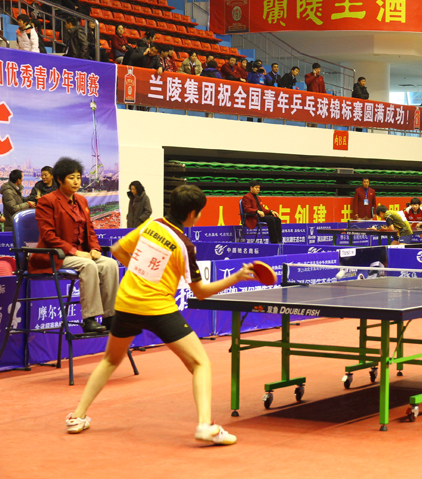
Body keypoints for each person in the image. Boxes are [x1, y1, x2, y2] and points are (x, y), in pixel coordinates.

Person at [65, 185, 254, 445]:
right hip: (158, 309)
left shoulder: (151, 225)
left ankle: (77, 416)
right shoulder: (184, 245)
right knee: (201, 364)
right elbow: (200, 292)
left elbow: (118, 250)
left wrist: (141, 272)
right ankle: (205, 426)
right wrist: (236, 277)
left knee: (110, 360)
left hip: (127, 303)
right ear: (192, 214)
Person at [30, 157, 117, 333]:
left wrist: (95, 248)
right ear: (59, 179)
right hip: (55, 255)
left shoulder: (82, 201)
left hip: (80, 254)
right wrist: (74, 252)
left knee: (110, 264)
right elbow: (48, 236)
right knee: (88, 265)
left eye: (78, 177)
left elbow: (90, 230)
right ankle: (89, 319)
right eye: (71, 177)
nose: (76, 181)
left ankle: (110, 317)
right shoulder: (47, 201)